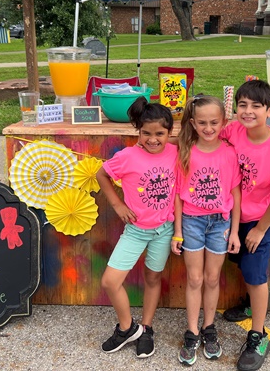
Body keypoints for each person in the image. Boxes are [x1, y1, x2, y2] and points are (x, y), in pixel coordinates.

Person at [96, 97, 178, 359]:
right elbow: (102, 174)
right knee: (110, 281)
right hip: (135, 230)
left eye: (160, 134)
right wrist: (118, 205)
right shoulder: (127, 156)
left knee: (153, 278)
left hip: (164, 230)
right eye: (146, 133)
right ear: (138, 132)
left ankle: (147, 328)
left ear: (169, 133)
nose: (153, 139)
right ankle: (128, 328)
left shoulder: (175, 153)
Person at [220, 80, 270, 371]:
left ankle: (258, 334)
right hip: (231, 214)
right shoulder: (232, 131)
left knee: (254, 273)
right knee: (240, 262)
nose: (248, 111)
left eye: (256, 106)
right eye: (242, 105)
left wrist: (261, 228)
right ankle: (250, 304)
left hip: (261, 219)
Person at [171, 95, 242, 366]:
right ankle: (192, 330)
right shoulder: (186, 151)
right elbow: (178, 195)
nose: (209, 128)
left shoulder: (229, 152)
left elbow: (235, 192)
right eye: (202, 123)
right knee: (195, 279)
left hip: (220, 224)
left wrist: (234, 231)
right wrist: (178, 231)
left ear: (223, 122)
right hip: (192, 222)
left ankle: (209, 327)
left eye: (214, 122)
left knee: (213, 279)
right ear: (193, 123)